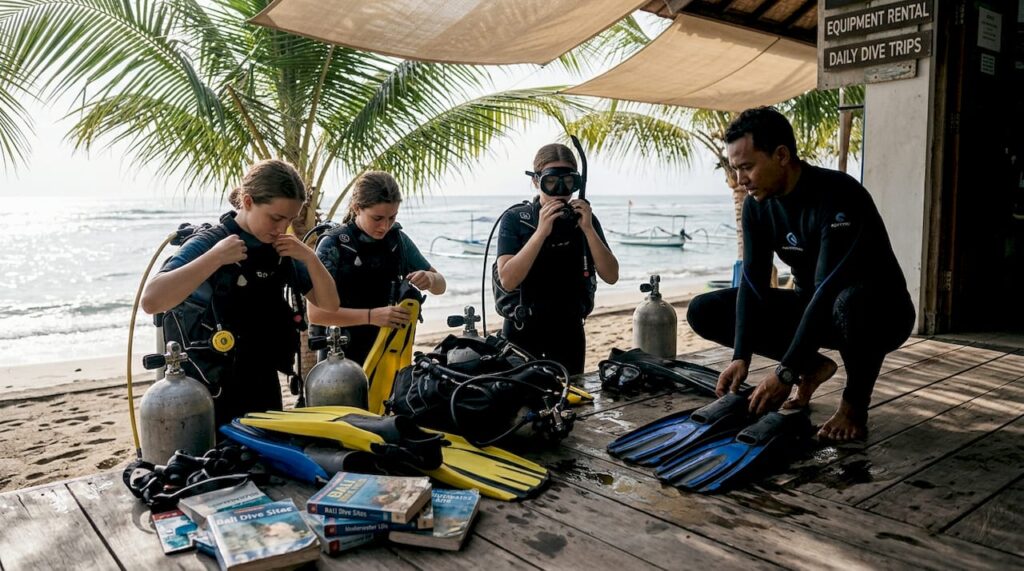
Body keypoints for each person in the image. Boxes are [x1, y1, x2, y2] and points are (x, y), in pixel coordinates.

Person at [686, 107, 916, 442]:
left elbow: (827, 289)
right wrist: (741, 355)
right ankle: (813, 366)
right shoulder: (757, 206)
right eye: (735, 170)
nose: (740, 180)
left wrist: (785, 371)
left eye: (747, 167)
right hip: (815, 306)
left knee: (848, 304)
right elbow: (752, 282)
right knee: (704, 310)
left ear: (781, 155)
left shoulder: (838, 195)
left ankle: (853, 406)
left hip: (878, 314)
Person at [141, 159, 340, 426]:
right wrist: (215, 258)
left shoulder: (282, 250)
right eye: (276, 217)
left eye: (290, 220)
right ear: (247, 202)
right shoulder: (211, 242)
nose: (282, 228)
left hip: (263, 382)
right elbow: (152, 300)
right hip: (209, 387)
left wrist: (309, 258)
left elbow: (329, 304)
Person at [494, 143, 619, 376]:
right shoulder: (516, 219)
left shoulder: (585, 221)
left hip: (568, 331)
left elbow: (611, 275)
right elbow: (508, 280)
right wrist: (541, 231)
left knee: (570, 403)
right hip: (522, 333)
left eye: (569, 182)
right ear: (536, 181)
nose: (561, 190)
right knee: (520, 404)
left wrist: (589, 230)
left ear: (578, 183)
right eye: (551, 182)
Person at [308, 171, 446, 364]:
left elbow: (440, 286)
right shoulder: (333, 245)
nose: (385, 226)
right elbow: (316, 314)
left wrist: (430, 279)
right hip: (340, 360)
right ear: (357, 208)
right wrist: (372, 316)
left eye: (392, 217)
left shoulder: (397, 240)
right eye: (377, 218)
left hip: (389, 355)